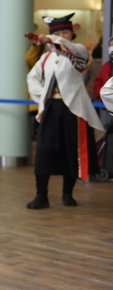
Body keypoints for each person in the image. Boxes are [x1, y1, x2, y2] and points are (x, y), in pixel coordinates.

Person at [26, 14, 104, 209]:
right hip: (51, 106)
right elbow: (31, 78)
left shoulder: (78, 53)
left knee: (71, 151)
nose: (61, 35)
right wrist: (41, 95)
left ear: (72, 33)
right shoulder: (45, 58)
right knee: (44, 151)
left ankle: (67, 194)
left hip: (73, 109)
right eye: (57, 32)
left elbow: (72, 52)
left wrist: (53, 38)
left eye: (65, 32)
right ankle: (41, 195)